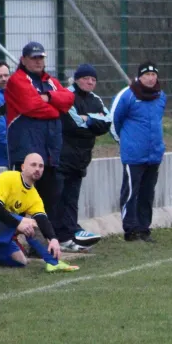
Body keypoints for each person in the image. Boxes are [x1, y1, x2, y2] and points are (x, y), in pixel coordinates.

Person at [0, 153, 79, 272]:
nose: (37, 169)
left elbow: (42, 220)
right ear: (23, 167)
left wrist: (53, 238)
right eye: (33, 165)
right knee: (29, 224)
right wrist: (18, 224)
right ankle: (53, 263)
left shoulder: (34, 196)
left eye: (41, 166)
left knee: (20, 261)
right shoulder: (8, 178)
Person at [4, 42, 74, 219]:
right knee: (19, 200)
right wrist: (56, 110)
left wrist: (49, 96)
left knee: (48, 198)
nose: (38, 61)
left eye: (40, 58)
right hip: (25, 152)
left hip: (49, 153)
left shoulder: (50, 81)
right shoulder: (17, 80)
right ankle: (12, 241)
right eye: (33, 58)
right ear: (23, 60)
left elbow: (69, 98)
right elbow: (31, 106)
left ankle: (42, 241)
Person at [54, 64, 112, 251]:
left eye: (93, 80)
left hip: (81, 159)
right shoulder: (67, 95)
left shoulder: (96, 99)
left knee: (72, 199)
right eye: (86, 78)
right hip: (63, 157)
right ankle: (60, 236)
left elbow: (108, 121)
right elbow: (74, 124)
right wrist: (92, 121)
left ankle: (70, 235)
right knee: (59, 198)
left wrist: (88, 118)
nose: (90, 82)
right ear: (77, 79)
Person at [110, 61, 166, 243]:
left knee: (147, 193)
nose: (150, 78)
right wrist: (125, 142)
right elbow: (114, 122)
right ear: (139, 77)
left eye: (153, 75)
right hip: (133, 155)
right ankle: (130, 230)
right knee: (131, 193)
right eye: (146, 75)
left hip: (154, 154)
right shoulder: (127, 95)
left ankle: (144, 228)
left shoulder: (161, 96)